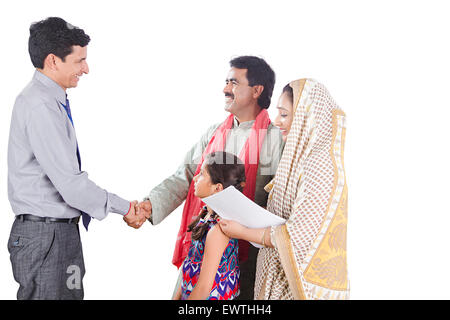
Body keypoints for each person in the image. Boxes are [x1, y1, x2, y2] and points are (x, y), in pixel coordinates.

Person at [6, 17, 148, 300]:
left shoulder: (50, 100)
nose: (86, 69)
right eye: (79, 61)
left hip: (58, 234)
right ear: (53, 61)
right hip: (46, 237)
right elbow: (71, 185)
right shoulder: (40, 106)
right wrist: (125, 208)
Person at [133, 56, 284, 299]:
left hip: (250, 255)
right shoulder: (214, 133)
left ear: (257, 90)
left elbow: (283, 200)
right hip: (204, 238)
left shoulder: (277, 139)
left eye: (234, 83)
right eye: (226, 82)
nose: (225, 89)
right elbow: (185, 176)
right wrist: (149, 206)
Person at [219, 79, 350, 299]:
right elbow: (281, 215)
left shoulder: (320, 165)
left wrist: (240, 232)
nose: (277, 121)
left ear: (306, 119)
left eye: (285, 115)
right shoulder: (297, 161)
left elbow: (296, 235)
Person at [173, 151, 244, 300]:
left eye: (202, 174)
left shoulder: (219, 230)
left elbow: (204, 288)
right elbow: (191, 261)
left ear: (217, 188)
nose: (196, 178)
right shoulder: (206, 215)